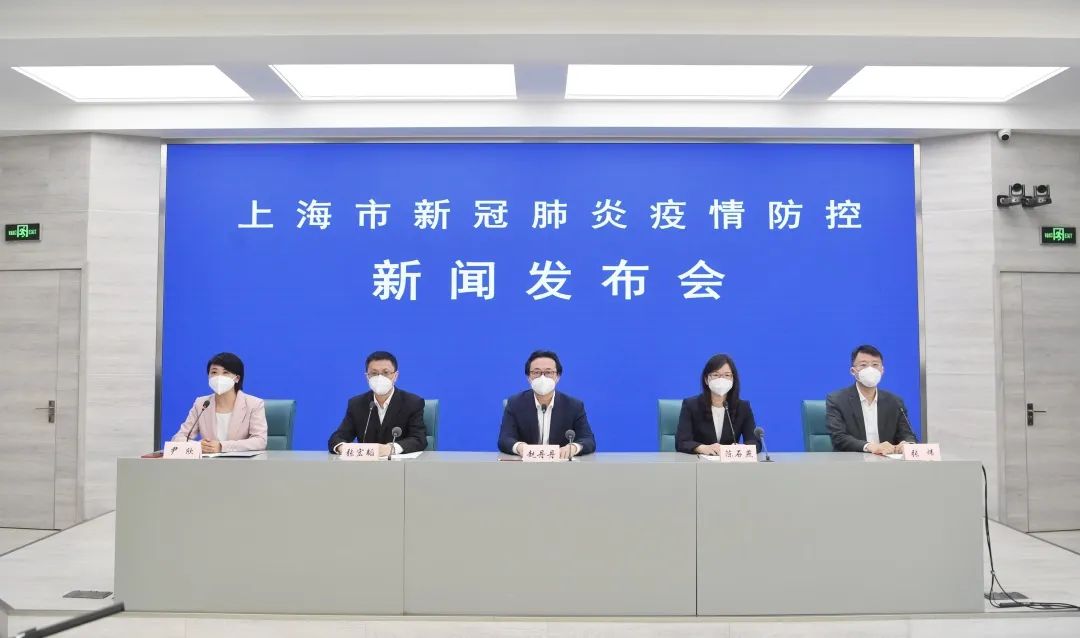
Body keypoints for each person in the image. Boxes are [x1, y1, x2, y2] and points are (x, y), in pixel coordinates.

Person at [498, 350, 596, 458]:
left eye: (548, 372)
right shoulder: (515, 404)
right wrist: (519, 447)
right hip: (525, 465)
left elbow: (588, 440)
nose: (542, 377)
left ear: (558, 376)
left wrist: (573, 447)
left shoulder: (574, 406)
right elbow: (504, 439)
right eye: (536, 372)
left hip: (561, 466)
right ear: (528, 377)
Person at [328, 351, 427, 456]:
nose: (380, 378)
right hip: (365, 464)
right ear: (367, 377)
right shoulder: (356, 404)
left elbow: (419, 439)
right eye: (374, 373)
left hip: (400, 464)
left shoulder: (412, 403)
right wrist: (342, 448)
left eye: (385, 372)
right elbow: (337, 438)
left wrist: (390, 449)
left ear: (395, 376)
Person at [826, 344, 917, 454]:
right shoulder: (837, 400)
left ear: (882, 370)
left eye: (875, 365)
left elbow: (907, 434)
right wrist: (870, 446)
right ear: (853, 371)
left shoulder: (895, 402)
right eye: (863, 365)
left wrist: (907, 444)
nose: (870, 369)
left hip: (887, 461)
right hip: (852, 461)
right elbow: (838, 437)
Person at [171, 352, 267, 452]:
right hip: (208, 461)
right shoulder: (201, 404)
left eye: (225, 372)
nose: (219, 377)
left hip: (240, 461)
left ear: (237, 378)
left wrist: (222, 446)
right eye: (214, 372)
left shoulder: (254, 404)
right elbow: (179, 437)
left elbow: (260, 441)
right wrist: (198, 445)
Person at [675, 353, 757, 455]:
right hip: (699, 462)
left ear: (733, 379)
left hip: (730, 462)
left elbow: (755, 442)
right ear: (706, 379)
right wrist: (702, 448)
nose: (721, 379)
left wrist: (742, 448)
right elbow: (681, 442)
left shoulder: (743, 407)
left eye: (727, 375)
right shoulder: (691, 405)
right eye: (716, 375)